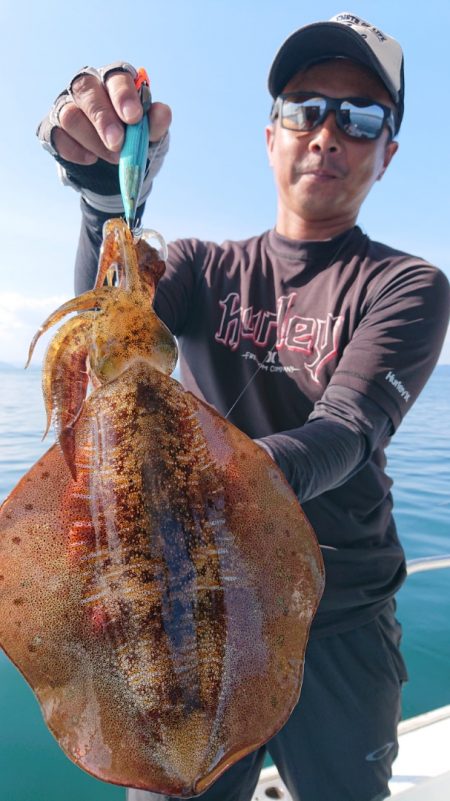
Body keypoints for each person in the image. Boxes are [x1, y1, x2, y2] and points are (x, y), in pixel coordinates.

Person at [37, 12, 449, 801]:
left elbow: (346, 432)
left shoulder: (406, 285)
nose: (328, 133)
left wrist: (191, 482)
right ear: (271, 136)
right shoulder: (197, 266)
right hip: (190, 608)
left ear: (387, 154)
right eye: (304, 107)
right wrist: (102, 203)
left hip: (340, 614)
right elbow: (110, 332)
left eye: (361, 118)